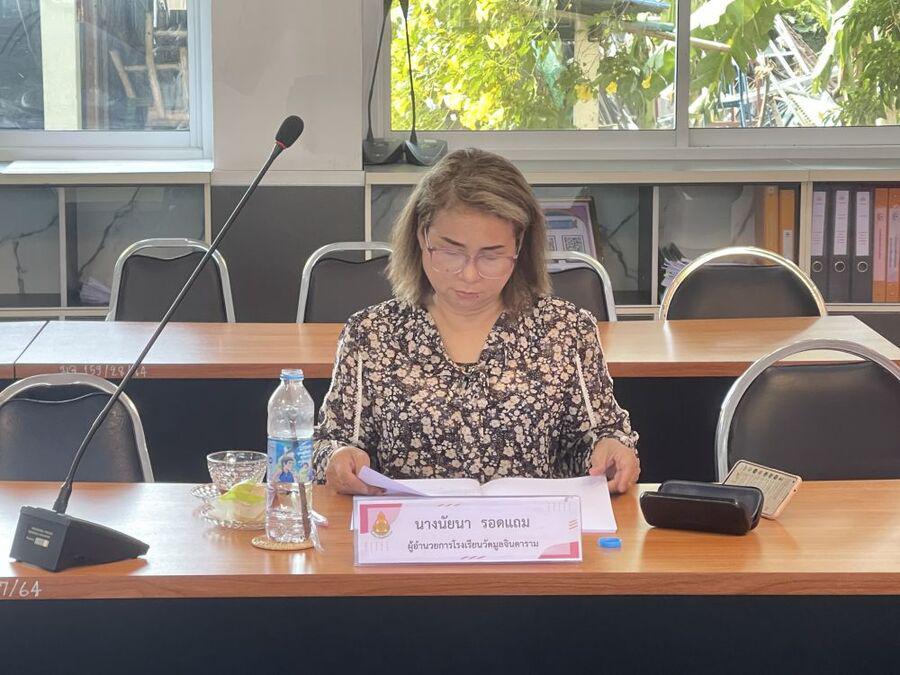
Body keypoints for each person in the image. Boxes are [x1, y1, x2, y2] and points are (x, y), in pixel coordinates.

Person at [313, 148, 639, 495]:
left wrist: (612, 450)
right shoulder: (371, 333)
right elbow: (332, 441)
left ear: (519, 246)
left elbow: (599, 435)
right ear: (422, 237)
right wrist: (337, 458)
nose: (469, 275)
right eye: (451, 252)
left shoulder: (566, 329)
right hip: (409, 524)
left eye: (491, 256)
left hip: (529, 525)